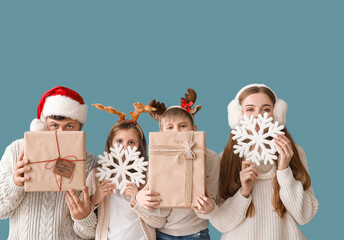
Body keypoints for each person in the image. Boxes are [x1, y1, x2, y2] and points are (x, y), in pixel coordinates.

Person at [195, 83, 319, 240]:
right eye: (250, 109)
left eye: (266, 109)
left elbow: (305, 215)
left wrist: (284, 170)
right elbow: (222, 224)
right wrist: (244, 192)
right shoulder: (224, 159)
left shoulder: (294, 153)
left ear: (277, 115)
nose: (258, 116)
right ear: (238, 115)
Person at [0, 86, 98, 240]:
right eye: (54, 126)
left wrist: (83, 217)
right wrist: (14, 183)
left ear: (81, 127)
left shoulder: (90, 164)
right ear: (44, 124)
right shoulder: (18, 150)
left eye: (69, 126)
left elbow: (91, 234)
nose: (60, 133)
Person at [66, 102, 165, 240]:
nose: (125, 147)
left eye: (131, 142)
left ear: (139, 146)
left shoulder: (148, 176)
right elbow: (84, 230)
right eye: (119, 141)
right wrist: (96, 199)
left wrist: (136, 201)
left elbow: (160, 222)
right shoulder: (97, 176)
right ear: (110, 144)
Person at [135, 89, 220, 240]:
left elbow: (211, 203)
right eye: (170, 127)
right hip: (163, 233)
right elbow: (158, 211)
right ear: (161, 133)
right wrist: (141, 199)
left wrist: (208, 207)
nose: (177, 132)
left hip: (196, 233)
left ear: (194, 129)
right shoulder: (155, 159)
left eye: (182, 126)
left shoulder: (210, 158)